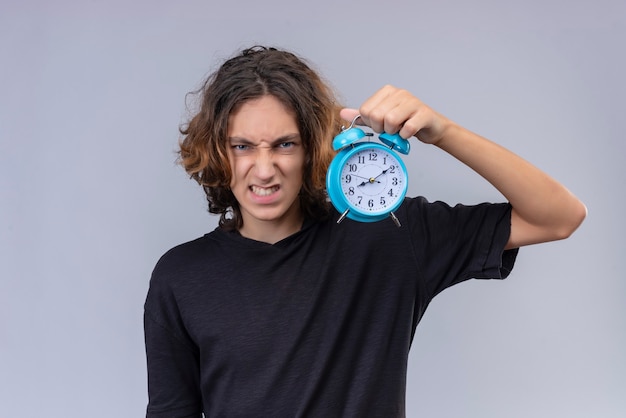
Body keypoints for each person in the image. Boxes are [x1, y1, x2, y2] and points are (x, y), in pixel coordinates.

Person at [143, 46, 586, 417]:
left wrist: (443, 132)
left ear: (313, 146)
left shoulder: (387, 235)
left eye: (285, 144)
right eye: (243, 146)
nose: (264, 169)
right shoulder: (180, 277)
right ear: (218, 152)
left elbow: (558, 216)